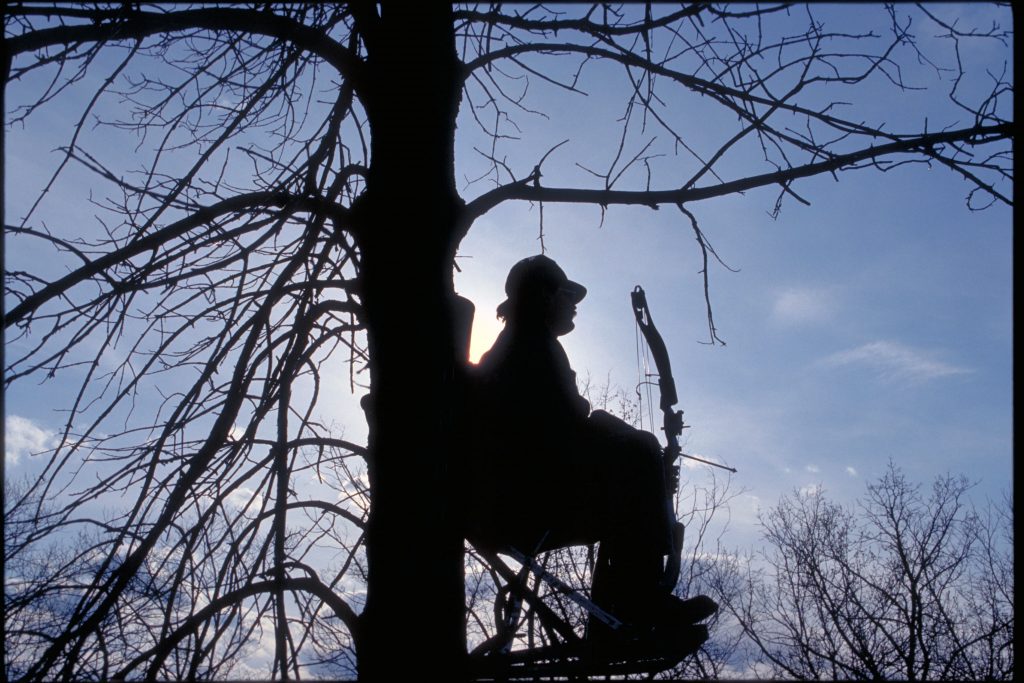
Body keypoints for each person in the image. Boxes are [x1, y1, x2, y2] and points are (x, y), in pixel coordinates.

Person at [461, 254, 716, 651]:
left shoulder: (524, 345)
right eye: (565, 294)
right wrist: (633, 448)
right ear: (543, 297)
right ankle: (637, 604)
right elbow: (557, 430)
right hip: (522, 505)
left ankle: (623, 613)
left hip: (518, 502)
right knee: (636, 458)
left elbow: (559, 429)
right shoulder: (527, 348)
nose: (574, 303)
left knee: (630, 467)